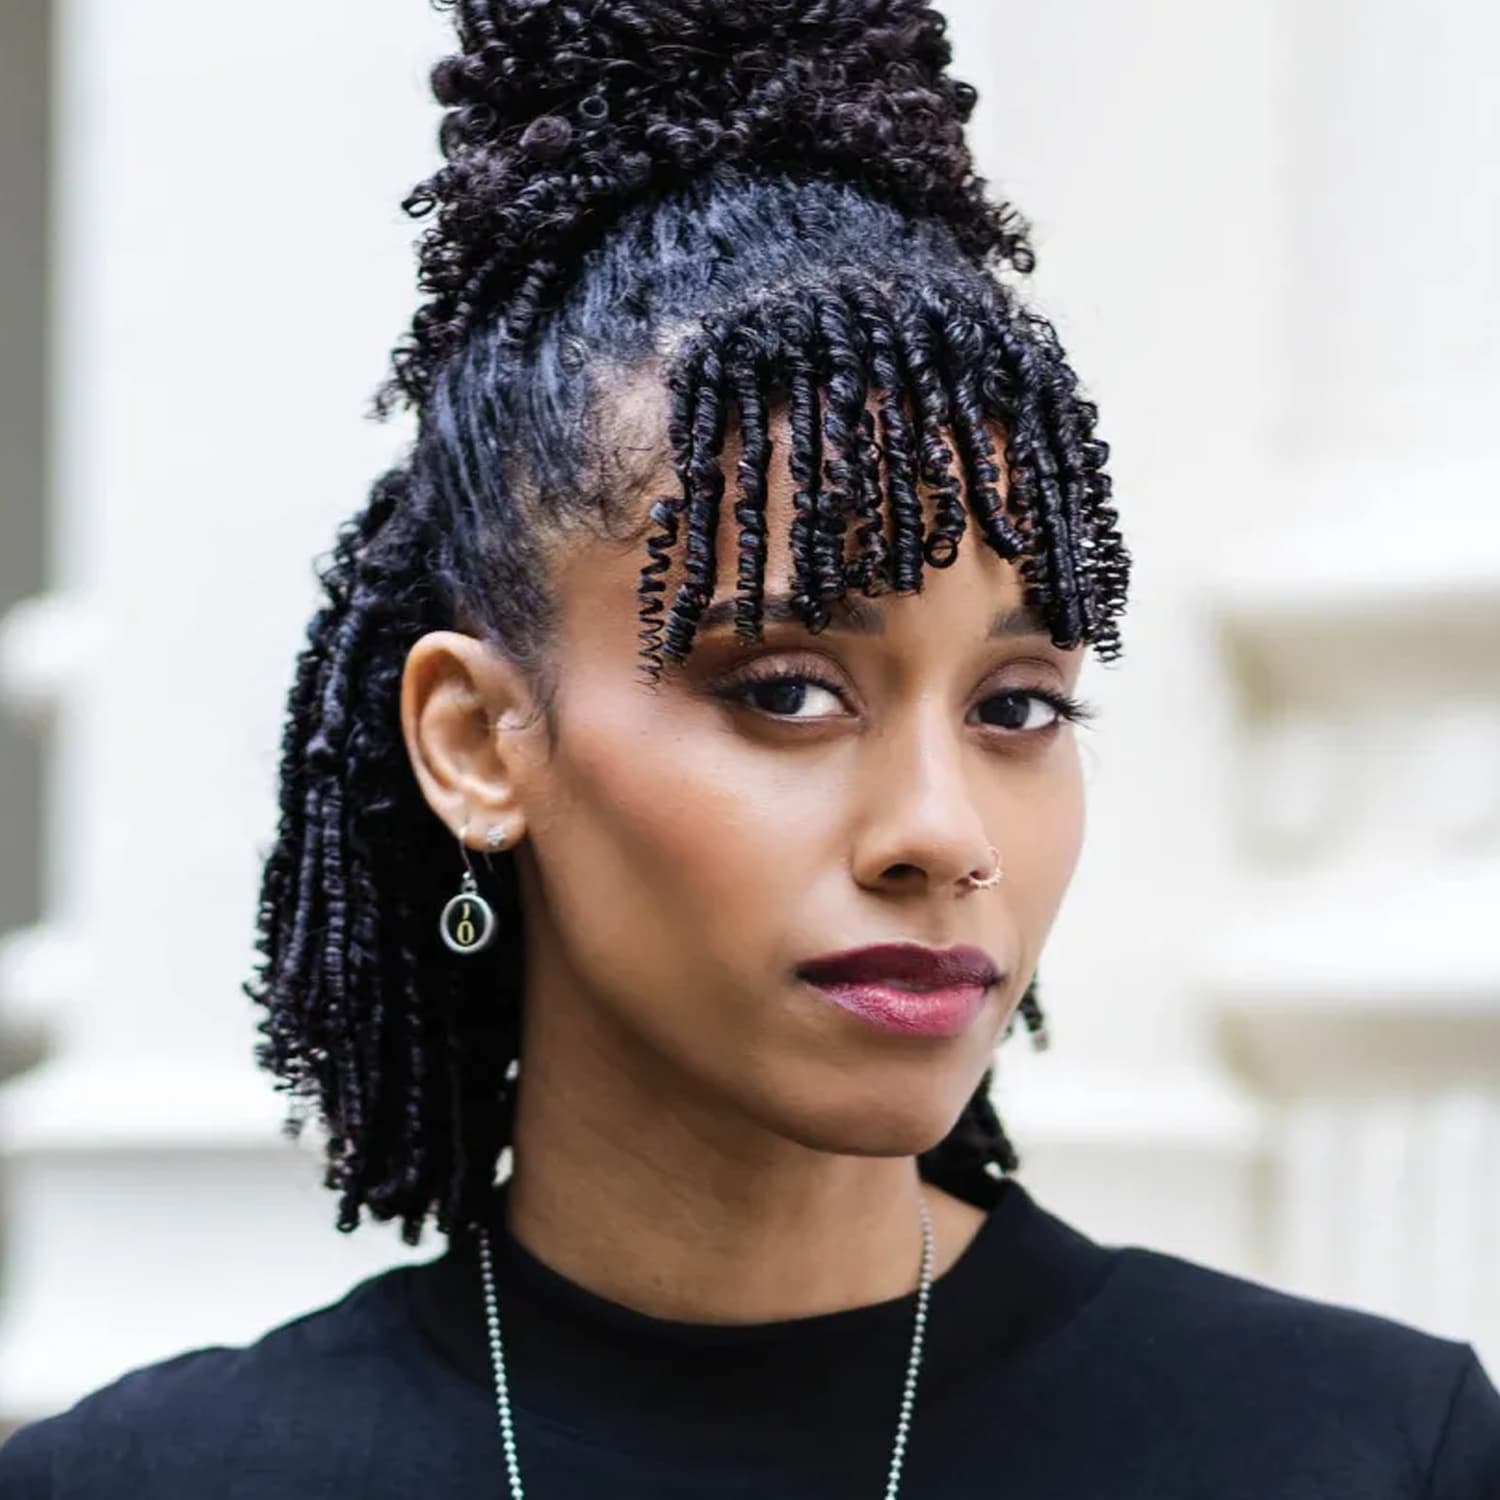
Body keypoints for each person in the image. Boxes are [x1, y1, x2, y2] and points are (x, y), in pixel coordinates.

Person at [3, 1, 1498, 1495]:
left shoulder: (1371, 1450)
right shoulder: (145, 1482)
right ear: (478, 744)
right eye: (786, 692)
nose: (942, 833)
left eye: (1016, 706)